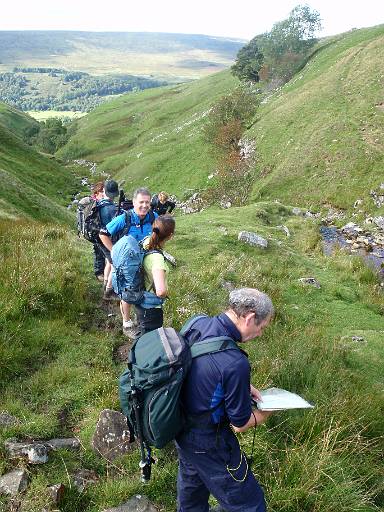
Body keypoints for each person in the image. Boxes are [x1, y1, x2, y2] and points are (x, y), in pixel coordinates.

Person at [175, 288, 275, 512]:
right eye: (262, 327)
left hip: (180, 427)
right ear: (249, 317)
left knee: (192, 495)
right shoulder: (234, 363)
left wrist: (236, 385)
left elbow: (193, 364)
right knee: (250, 504)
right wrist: (268, 412)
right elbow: (239, 425)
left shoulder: (197, 323)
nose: (260, 333)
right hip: (210, 442)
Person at [99, 187, 158, 328]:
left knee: (144, 290)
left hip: (145, 261)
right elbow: (103, 233)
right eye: (141, 202)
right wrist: (114, 252)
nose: (144, 206)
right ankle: (127, 323)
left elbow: (158, 233)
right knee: (128, 293)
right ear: (134, 202)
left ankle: (141, 318)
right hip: (127, 264)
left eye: (147, 202)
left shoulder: (153, 217)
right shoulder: (124, 218)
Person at [134, 214, 175, 337]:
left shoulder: (146, 242)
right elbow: (161, 291)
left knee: (143, 333)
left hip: (140, 298)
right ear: (170, 236)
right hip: (151, 306)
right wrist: (166, 293)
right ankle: (138, 355)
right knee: (150, 340)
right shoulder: (157, 259)